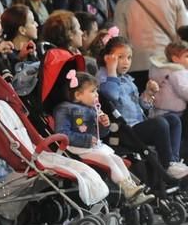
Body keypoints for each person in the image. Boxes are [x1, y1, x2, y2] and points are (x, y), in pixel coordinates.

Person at [96, 35, 188, 180]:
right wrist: (111, 70)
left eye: (129, 58)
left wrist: (147, 94)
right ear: (109, 58)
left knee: (174, 120)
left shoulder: (127, 79)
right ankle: (168, 164)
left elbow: (141, 106)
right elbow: (110, 95)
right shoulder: (104, 77)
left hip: (138, 124)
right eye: (120, 57)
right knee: (160, 123)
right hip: (124, 131)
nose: (126, 62)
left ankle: (173, 162)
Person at [54, 71, 152, 205]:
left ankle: (130, 186)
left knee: (117, 159)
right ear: (78, 95)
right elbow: (62, 133)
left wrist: (103, 125)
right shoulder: (65, 109)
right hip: (78, 149)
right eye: (93, 91)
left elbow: (101, 134)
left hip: (93, 147)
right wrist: (86, 139)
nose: (97, 94)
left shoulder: (92, 109)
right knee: (108, 160)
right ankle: (127, 188)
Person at [115, 0, 188, 89]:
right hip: (169, 65)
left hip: (135, 66)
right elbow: (184, 35)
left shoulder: (123, 5)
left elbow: (120, 41)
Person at [150, 41, 188, 119]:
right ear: (175, 59)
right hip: (172, 109)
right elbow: (183, 90)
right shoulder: (177, 72)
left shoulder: (163, 69)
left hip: (160, 108)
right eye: (187, 56)